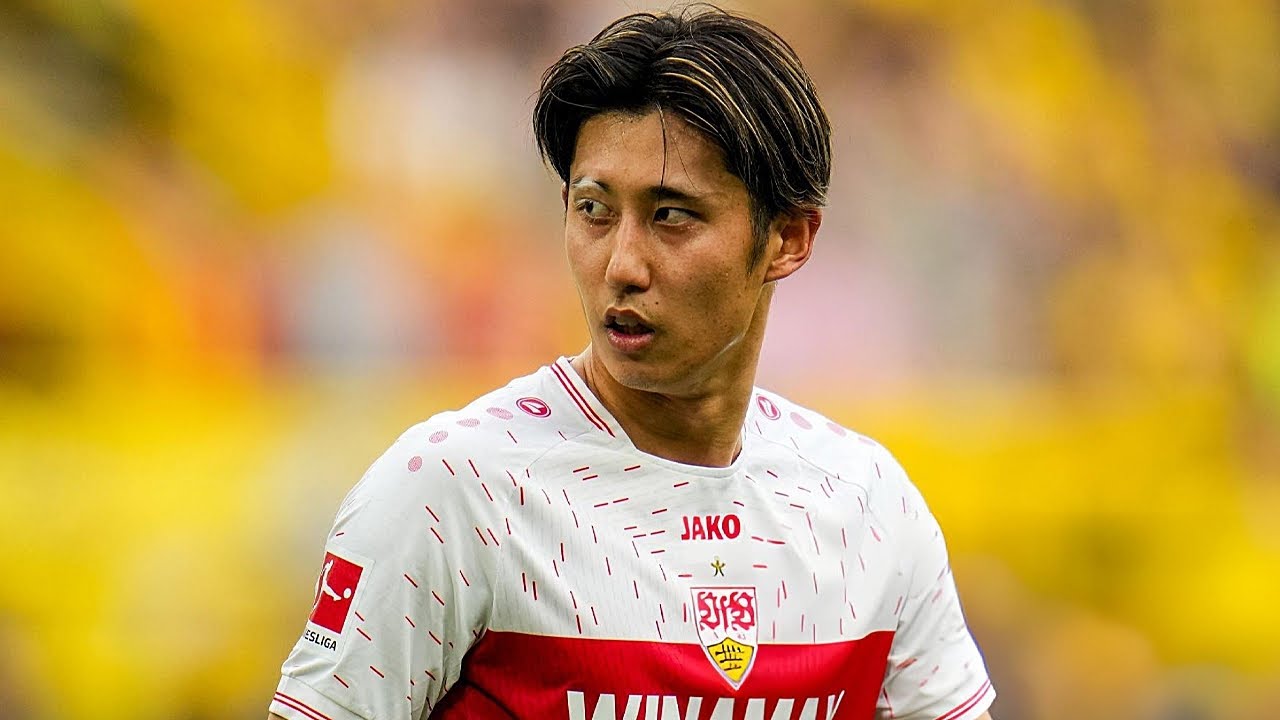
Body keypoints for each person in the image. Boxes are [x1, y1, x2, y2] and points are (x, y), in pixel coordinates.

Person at [268, 6, 995, 719]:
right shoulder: (452, 491)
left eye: (670, 214)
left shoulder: (869, 507)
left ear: (788, 239)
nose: (621, 264)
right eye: (594, 210)